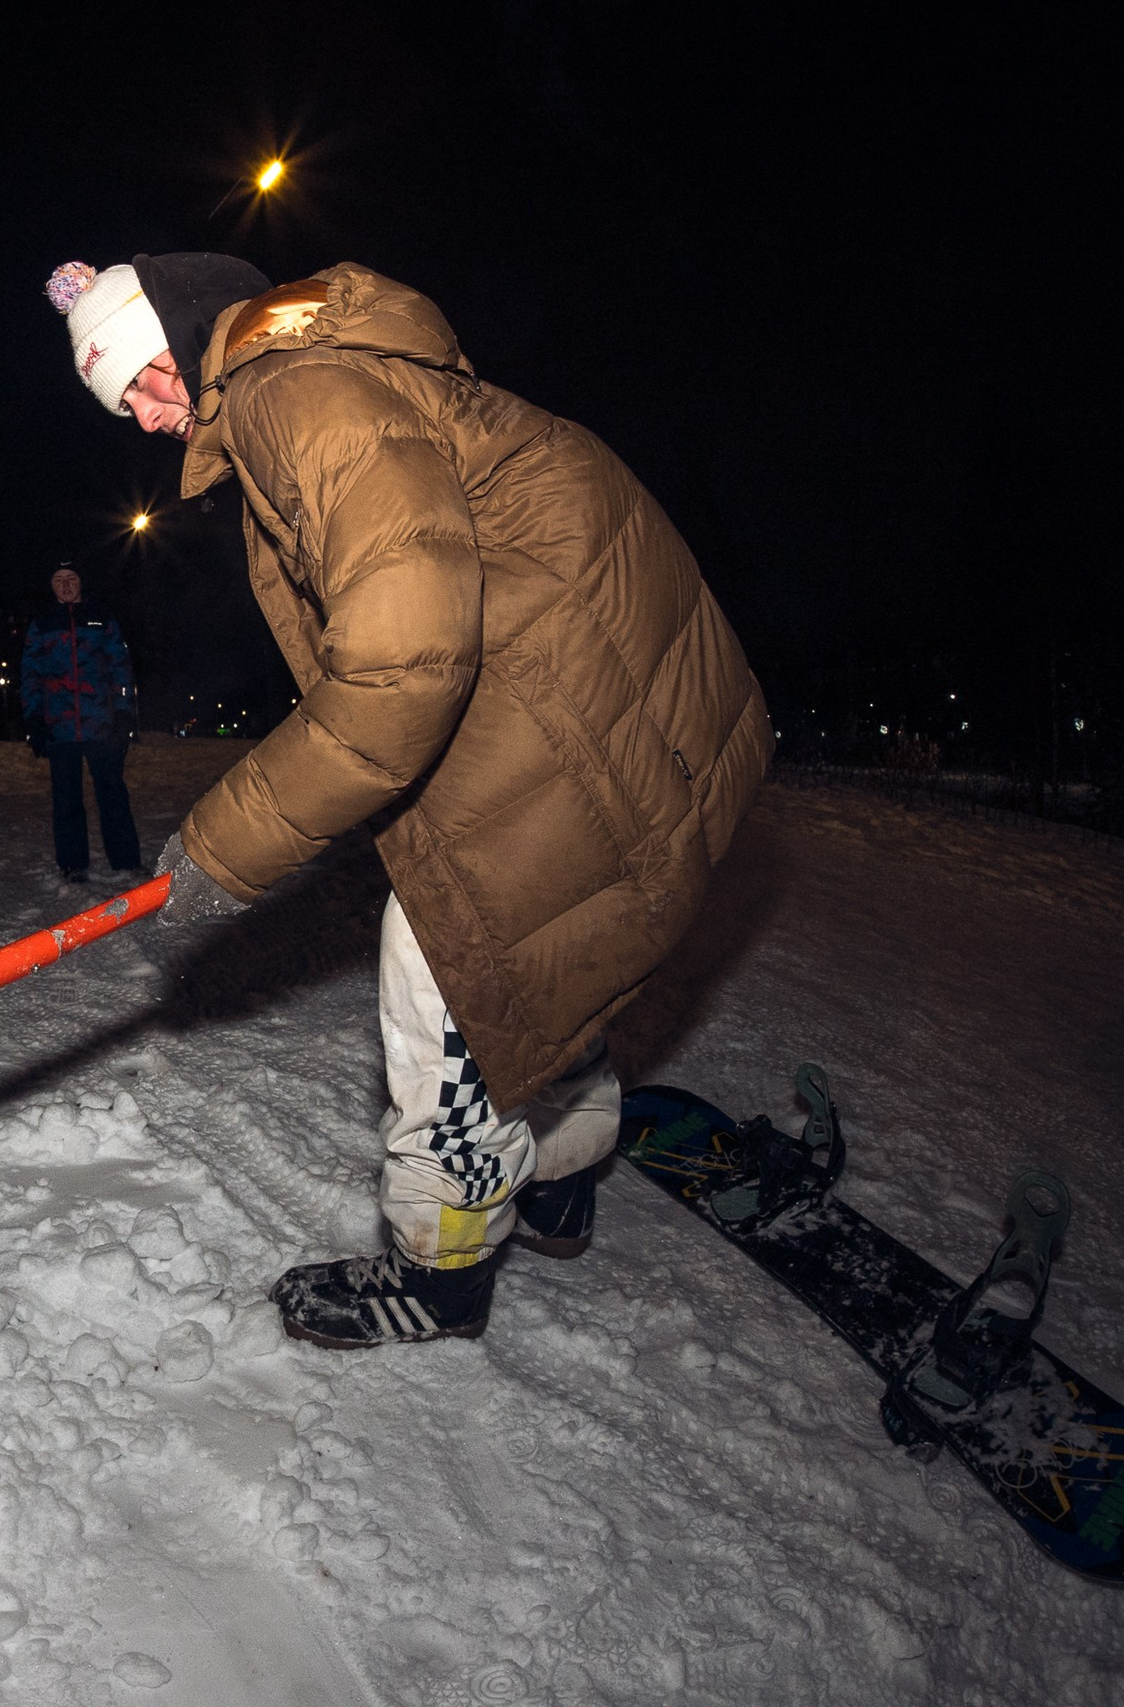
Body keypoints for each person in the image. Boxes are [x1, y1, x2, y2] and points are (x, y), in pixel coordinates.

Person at [46, 253, 770, 1348]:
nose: (145, 420)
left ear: (183, 336)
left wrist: (221, 849)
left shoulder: (292, 394)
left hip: (549, 718)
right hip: (591, 696)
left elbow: (402, 661)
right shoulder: (329, 363)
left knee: (451, 974)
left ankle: (438, 1274)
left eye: (139, 385)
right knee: (538, 946)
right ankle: (563, 1178)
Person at [18, 564, 141, 882]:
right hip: (59, 727)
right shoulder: (42, 624)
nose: (66, 586)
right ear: (51, 586)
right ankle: (73, 865)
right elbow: (30, 675)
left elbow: (120, 666)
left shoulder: (101, 617)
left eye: (71, 579)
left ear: (82, 582)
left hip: (101, 723)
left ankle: (126, 861)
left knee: (112, 794)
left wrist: (125, 712)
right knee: (66, 799)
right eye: (59, 580)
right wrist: (34, 720)